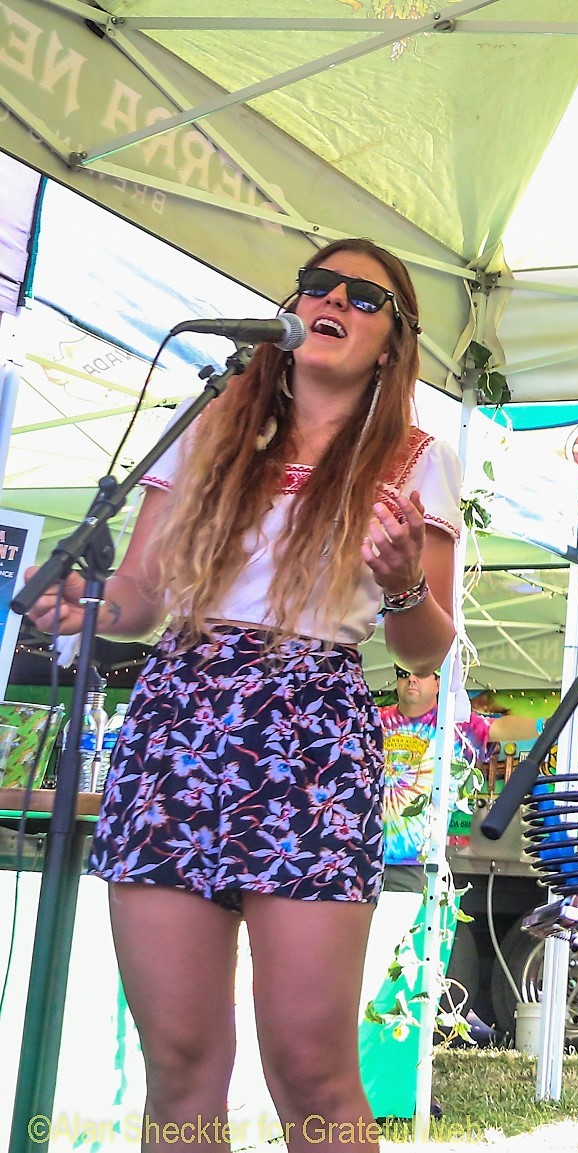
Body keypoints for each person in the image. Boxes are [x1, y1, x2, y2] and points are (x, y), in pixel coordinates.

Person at [27, 238, 460, 1151]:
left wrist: (403, 583)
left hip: (310, 731)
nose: (332, 298)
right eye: (316, 286)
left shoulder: (417, 458)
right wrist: (88, 601)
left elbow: (424, 645)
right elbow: (141, 601)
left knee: (311, 1068)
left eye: (363, 296)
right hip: (178, 716)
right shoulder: (210, 424)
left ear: (392, 342)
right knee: (179, 1060)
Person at [378, 666, 539, 868]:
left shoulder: (454, 723)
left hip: (418, 861)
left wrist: (547, 724)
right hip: (360, 855)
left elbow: (498, 728)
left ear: (438, 682)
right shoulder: (373, 720)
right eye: (403, 674)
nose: (411, 679)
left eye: (420, 673)